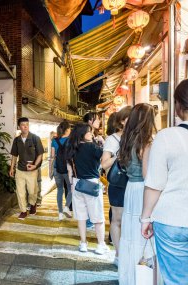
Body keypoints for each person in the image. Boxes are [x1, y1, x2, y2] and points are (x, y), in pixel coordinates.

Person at [141, 76, 188, 285]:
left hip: (172, 220)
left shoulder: (166, 136)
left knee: (178, 281)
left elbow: (154, 184)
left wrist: (146, 219)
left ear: (178, 105)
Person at [117, 103, 157, 285]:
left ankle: (128, 277)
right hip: (142, 190)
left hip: (131, 189)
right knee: (142, 235)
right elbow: (147, 175)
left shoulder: (127, 139)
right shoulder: (147, 142)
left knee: (130, 235)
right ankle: (141, 278)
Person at [66, 122, 110, 255]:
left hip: (77, 184)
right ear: (82, 134)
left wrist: (72, 185)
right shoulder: (93, 147)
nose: (91, 133)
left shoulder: (72, 148)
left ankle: (83, 243)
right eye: (89, 132)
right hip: (92, 185)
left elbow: (69, 169)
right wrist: (103, 142)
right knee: (97, 217)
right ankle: (100, 245)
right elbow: (105, 161)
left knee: (81, 217)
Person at [101, 106, 132, 266]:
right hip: (119, 184)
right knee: (118, 220)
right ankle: (119, 255)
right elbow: (104, 164)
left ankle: (129, 252)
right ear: (121, 121)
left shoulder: (139, 137)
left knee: (132, 220)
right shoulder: (112, 139)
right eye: (129, 118)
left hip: (135, 184)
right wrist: (118, 156)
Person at [9, 117, 44, 220]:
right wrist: (12, 168)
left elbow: (40, 154)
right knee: (20, 192)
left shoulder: (35, 138)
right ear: (19, 127)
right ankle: (23, 211)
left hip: (32, 171)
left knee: (32, 191)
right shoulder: (16, 140)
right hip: (20, 170)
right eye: (23, 125)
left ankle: (33, 204)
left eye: (27, 124)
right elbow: (14, 155)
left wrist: (35, 166)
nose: (25, 127)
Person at [49, 121, 72, 220]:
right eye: (70, 128)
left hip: (56, 168)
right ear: (67, 130)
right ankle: (67, 206)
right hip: (67, 168)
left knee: (60, 190)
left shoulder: (54, 141)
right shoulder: (70, 141)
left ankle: (60, 214)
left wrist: (50, 171)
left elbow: (52, 157)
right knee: (71, 189)